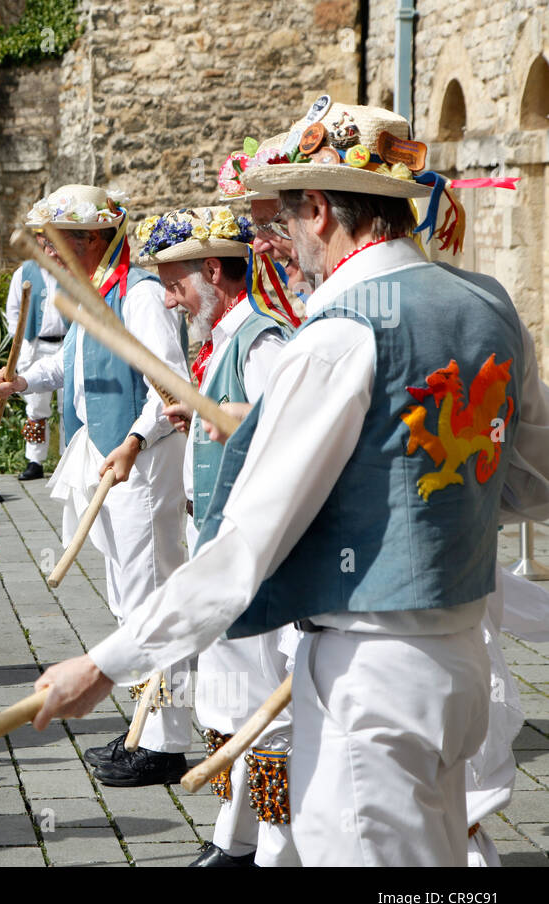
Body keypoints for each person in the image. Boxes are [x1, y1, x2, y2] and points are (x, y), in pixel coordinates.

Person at [30, 103, 549, 865]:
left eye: (282, 219)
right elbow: (530, 483)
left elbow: (248, 546)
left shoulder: (338, 336)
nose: (279, 243)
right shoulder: (486, 304)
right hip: (461, 667)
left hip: (370, 675)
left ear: (319, 211)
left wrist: (106, 663)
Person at [0, 184, 193, 786]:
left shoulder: (139, 295)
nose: (48, 254)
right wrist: (24, 381)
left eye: (55, 242)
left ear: (91, 239)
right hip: (106, 458)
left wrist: (134, 440)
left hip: (142, 462)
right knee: (126, 598)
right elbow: (72, 364)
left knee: (150, 597)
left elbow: (171, 384)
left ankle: (164, 742)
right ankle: (146, 728)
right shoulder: (92, 291)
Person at [137, 204, 298, 866]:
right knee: (229, 700)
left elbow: (291, 430)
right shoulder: (224, 342)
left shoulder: (261, 342)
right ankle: (238, 840)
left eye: (175, 284)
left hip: (255, 550)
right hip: (220, 542)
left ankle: (276, 851)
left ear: (211, 272)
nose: (169, 300)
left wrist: (230, 416)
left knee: (262, 705)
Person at [2, 235, 64, 479]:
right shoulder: (25, 272)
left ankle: (66, 458)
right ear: (40, 241)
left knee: (68, 406)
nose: (53, 250)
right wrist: (19, 340)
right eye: (49, 244)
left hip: (66, 343)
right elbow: (13, 310)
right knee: (36, 407)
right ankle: (35, 460)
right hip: (35, 345)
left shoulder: (72, 271)